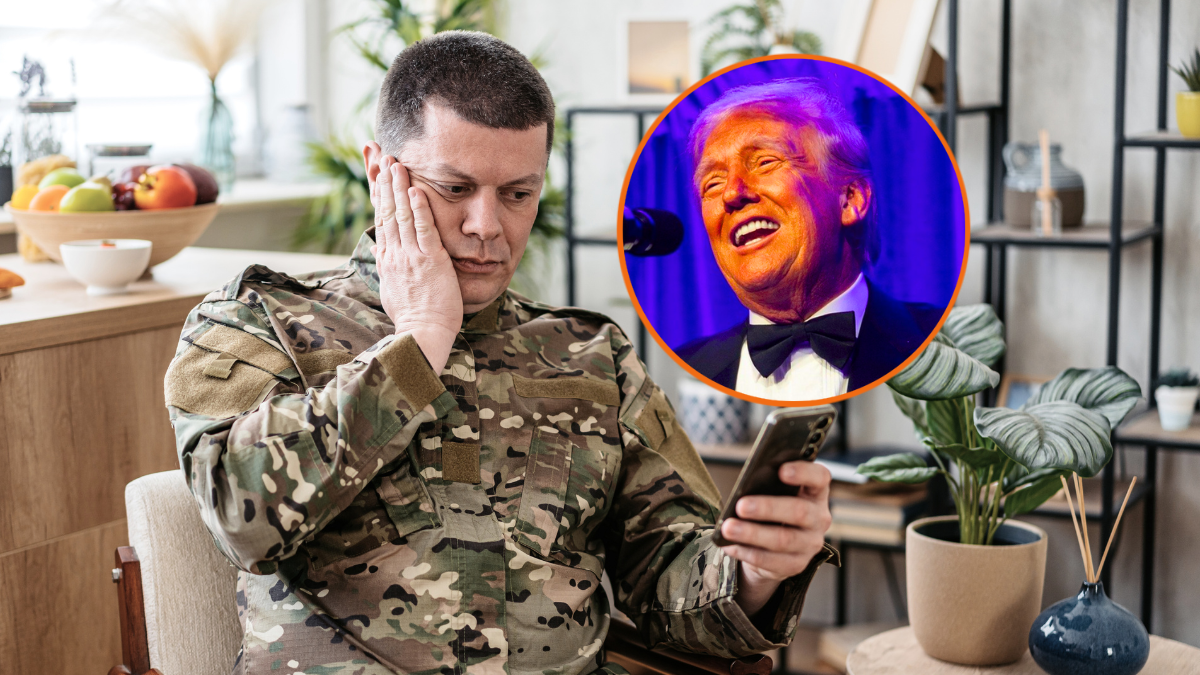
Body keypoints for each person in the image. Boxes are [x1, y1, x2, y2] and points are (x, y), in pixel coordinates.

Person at [165, 32, 836, 675]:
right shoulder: (259, 323)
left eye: (518, 194)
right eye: (454, 188)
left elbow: (668, 583)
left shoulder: (592, 357)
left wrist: (755, 570)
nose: (487, 226)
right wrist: (420, 340)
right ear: (381, 173)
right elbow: (238, 517)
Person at [675, 79, 943, 401]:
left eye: (764, 163)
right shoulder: (689, 366)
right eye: (713, 184)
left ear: (851, 199)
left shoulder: (941, 347)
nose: (732, 193)